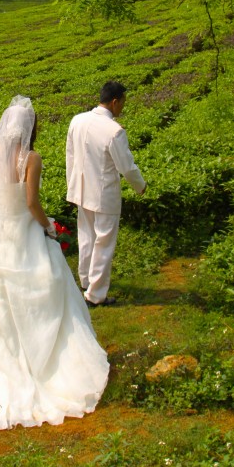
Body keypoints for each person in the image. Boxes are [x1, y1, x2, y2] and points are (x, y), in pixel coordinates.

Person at [0, 95, 109, 430]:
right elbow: (32, 202)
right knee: (46, 284)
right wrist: (47, 227)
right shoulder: (32, 158)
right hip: (24, 230)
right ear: (29, 129)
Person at [66, 81, 146, 308]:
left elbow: (70, 156)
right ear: (114, 101)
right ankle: (96, 294)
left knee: (87, 236)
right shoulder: (114, 131)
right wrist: (140, 186)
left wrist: (72, 187)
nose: (122, 108)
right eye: (122, 103)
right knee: (104, 242)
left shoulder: (77, 120)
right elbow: (127, 166)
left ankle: (86, 280)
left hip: (82, 189)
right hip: (104, 194)